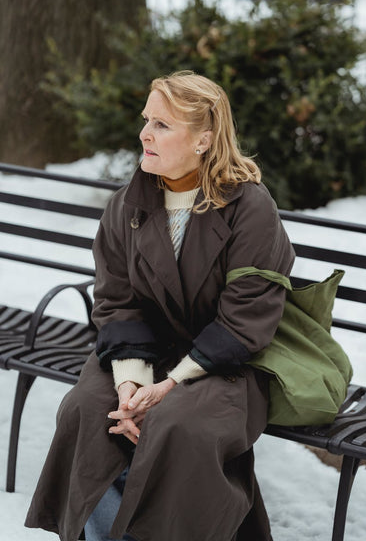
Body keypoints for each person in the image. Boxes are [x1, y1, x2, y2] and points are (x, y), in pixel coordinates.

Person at [25, 71, 295, 541]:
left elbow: (248, 315)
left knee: (178, 427)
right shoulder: (128, 205)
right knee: (87, 411)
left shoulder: (250, 208)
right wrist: (131, 384)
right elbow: (116, 299)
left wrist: (169, 386)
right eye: (146, 119)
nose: (144, 133)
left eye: (163, 125)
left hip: (224, 362)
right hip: (143, 351)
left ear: (204, 139)